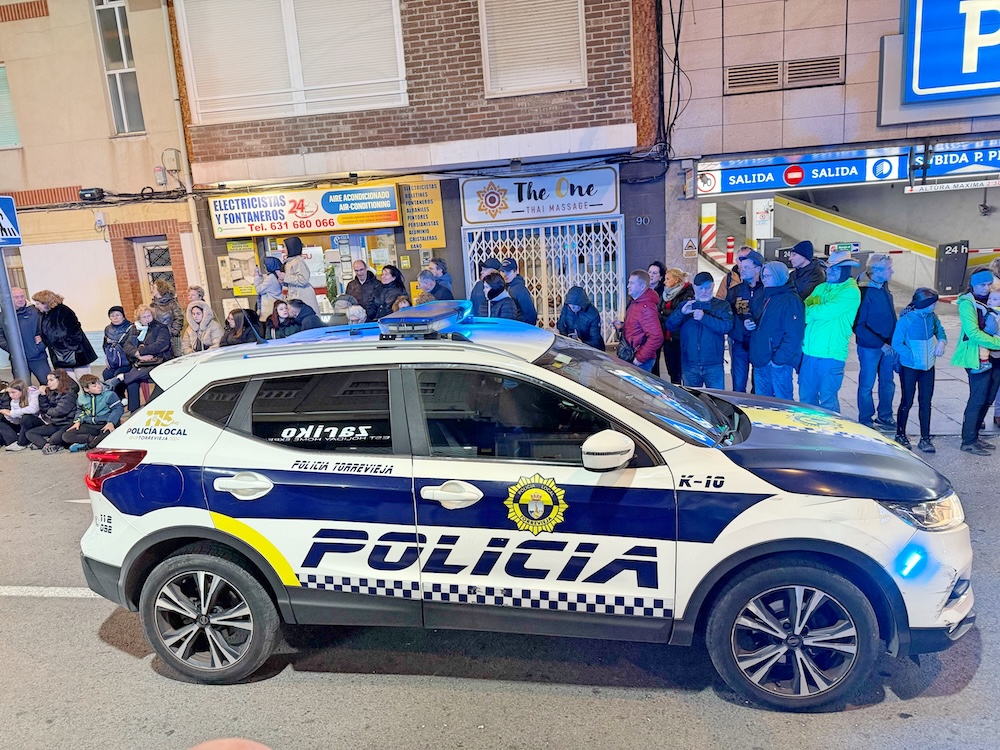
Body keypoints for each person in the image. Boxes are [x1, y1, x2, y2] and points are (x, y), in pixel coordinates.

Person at [799, 251, 862, 413]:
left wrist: (812, 311)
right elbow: (802, 311)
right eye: (829, 268)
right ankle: (809, 434)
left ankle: (830, 437)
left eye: (835, 269)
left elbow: (823, 312)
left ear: (846, 270)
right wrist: (812, 311)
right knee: (806, 399)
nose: (829, 271)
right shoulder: (821, 288)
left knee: (828, 401)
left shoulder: (851, 292)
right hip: (809, 353)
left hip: (831, 356)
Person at [892, 288, 946, 453]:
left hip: (928, 367)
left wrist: (942, 341)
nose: (936, 305)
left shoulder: (931, 317)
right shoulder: (906, 320)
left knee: (926, 402)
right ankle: (900, 434)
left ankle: (925, 438)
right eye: (933, 303)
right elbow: (896, 343)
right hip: (910, 367)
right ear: (925, 304)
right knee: (906, 401)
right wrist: (912, 356)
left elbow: (940, 330)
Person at [952, 268, 1000, 454]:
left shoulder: (990, 299)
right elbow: (972, 333)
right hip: (976, 357)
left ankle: (975, 438)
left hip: (995, 357)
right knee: (978, 399)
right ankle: (968, 440)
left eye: (989, 284)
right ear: (972, 284)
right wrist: (998, 342)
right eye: (982, 284)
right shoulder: (967, 303)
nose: (986, 288)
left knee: (988, 398)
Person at [664, 271, 732, 388]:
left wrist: (704, 318)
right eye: (700, 288)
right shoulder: (686, 305)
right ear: (694, 288)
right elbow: (670, 326)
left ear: (713, 286)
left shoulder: (721, 306)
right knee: (692, 401)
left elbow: (727, 327)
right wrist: (681, 313)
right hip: (690, 364)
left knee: (717, 400)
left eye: (708, 288)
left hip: (713, 364)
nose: (704, 291)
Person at [747, 261, 804, 400]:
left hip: (778, 363)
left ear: (779, 276)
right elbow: (761, 321)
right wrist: (750, 323)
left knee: (782, 402)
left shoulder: (791, 300)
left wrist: (778, 360)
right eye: (763, 276)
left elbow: (794, 336)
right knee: (762, 403)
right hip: (761, 360)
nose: (764, 279)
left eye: (768, 276)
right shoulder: (765, 295)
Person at [854, 254, 897, 430]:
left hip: (889, 344)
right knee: (867, 384)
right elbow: (858, 326)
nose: (892, 271)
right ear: (876, 271)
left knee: (888, 383)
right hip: (870, 347)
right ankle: (865, 419)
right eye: (888, 268)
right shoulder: (864, 291)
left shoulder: (883, 285)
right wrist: (881, 344)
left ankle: (885, 416)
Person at [109, 305, 174, 411]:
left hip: (158, 360)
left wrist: (142, 351)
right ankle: (133, 411)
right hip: (140, 361)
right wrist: (138, 354)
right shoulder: (135, 329)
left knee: (136, 375)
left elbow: (161, 344)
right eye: (144, 317)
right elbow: (127, 346)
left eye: (149, 316)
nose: (147, 318)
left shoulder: (160, 327)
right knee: (132, 383)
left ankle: (125, 377)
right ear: (139, 319)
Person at [32, 290, 98, 382]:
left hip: (76, 353)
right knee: (67, 383)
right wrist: (43, 338)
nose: (36, 306)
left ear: (46, 303)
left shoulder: (63, 311)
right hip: (59, 355)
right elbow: (47, 332)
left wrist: (69, 346)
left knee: (84, 381)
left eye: (38, 303)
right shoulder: (44, 314)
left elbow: (75, 331)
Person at [8, 369, 78, 453]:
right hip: (55, 424)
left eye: (51, 380)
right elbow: (44, 409)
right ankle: (46, 445)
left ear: (60, 380)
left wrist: (48, 410)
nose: (48, 383)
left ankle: (53, 443)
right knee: (30, 433)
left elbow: (59, 411)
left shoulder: (69, 394)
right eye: (48, 380)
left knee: (55, 439)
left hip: (67, 423)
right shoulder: (52, 392)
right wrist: (43, 396)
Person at [725, 250, 765, 392]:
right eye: (741, 268)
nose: (742, 271)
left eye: (746, 268)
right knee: (738, 385)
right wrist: (741, 324)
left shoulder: (767, 291)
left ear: (758, 269)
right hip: (739, 344)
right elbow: (727, 315)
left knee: (760, 386)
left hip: (760, 345)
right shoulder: (734, 291)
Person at [614, 270, 664, 372]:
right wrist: (622, 327)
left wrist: (640, 358)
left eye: (632, 283)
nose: (628, 286)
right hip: (631, 355)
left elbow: (657, 337)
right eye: (629, 282)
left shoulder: (646, 307)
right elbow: (637, 327)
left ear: (642, 287)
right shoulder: (635, 303)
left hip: (639, 360)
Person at [61, 374, 124, 452]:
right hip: (91, 424)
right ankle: (94, 440)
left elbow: (118, 408)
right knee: (66, 436)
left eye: (99, 383)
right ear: (86, 389)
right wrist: (77, 421)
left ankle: (88, 446)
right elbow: (80, 410)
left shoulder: (110, 394)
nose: (99, 386)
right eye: (94, 386)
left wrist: (111, 422)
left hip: (106, 423)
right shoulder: (81, 398)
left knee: (109, 434)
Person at [0, 287, 50, 384]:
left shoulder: (36, 312)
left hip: (37, 357)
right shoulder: (3, 316)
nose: (20, 299)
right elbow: (0, 336)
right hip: (17, 359)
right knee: (21, 388)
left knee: (48, 384)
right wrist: (11, 348)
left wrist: (41, 344)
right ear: (10, 299)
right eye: (16, 297)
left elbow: (46, 329)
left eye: (22, 296)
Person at [661, 268, 694, 384]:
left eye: (667, 279)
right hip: (667, 338)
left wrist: (664, 312)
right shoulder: (665, 293)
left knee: (682, 371)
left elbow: (683, 313)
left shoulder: (687, 292)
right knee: (672, 371)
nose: (665, 282)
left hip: (680, 338)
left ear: (676, 279)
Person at [281, 236, 320, 311]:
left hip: (302, 296)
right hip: (296, 296)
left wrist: (285, 277)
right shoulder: (290, 261)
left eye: (285, 247)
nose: (283, 250)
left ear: (291, 247)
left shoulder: (298, 261)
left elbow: (303, 280)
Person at [149, 279, 185, 357]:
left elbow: (179, 318)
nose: (152, 290)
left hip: (171, 337)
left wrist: (173, 332)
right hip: (158, 337)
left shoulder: (172, 302)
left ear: (160, 289)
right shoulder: (153, 305)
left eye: (154, 288)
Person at [0, 379, 39, 448]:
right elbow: (17, 421)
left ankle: (20, 443)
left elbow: (33, 409)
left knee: (26, 417)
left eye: (13, 392)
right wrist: (8, 415)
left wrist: (12, 413)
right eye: (9, 393)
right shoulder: (14, 401)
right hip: (23, 425)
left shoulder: (34, 394)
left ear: (22, 391)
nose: (11, 395)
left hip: (40, 421)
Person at [500, 258, 537, 325]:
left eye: (508, 271)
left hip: (520, 329)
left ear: (515, 271)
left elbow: (531, 315)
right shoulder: (505, 287)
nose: (505, 274)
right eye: (503, 271)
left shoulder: (520, 290)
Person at [102, 306, 132, 382]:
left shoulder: (131, 327)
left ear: (123, 316)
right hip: (114, 361)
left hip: (128, 361)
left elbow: (132, 346)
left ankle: (119, 393)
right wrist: (108, 358)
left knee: (117, 375)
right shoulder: (107, 329)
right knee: (106, 374)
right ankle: (113, 394)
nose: (115, 318)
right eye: (112, 316)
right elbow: (105, 345)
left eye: (118, 315)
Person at [647, 261, 667, 376]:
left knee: (654, 363)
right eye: (649, 272)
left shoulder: (664, 293)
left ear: (661, 277)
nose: (651, 275)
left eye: (655, 273)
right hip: (643, 332)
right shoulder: (642, 289)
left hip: (657, 331)